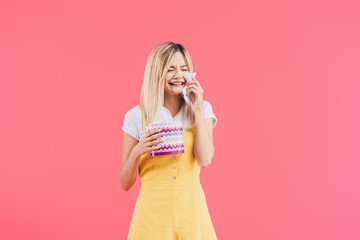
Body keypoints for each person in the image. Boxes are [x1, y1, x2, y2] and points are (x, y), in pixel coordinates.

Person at [120, 42, 218, 239]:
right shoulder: (135, 116)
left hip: (191, 212)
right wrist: (139, 150)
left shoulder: (202, 109)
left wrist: (197, 109)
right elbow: (125, 182)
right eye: (170, 69)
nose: (178, 75)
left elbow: (205, 160)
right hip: (151, 216)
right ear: (156, 73)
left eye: (184, 69)